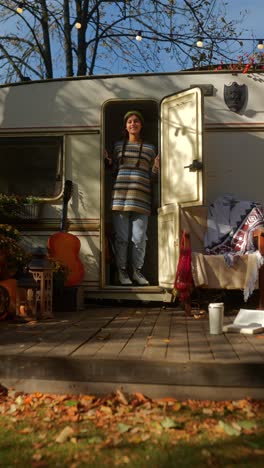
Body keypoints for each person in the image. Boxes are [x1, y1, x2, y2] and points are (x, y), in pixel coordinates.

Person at [105, 110, 160, 286]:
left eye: (136, 121)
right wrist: (108, 161)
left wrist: (156, 168)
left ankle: (137, 272)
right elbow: (113, 172)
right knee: (121, 238)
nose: (133, 124)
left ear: (141, 125)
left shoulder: (151, 148)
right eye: (129, 121)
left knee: (139, 238)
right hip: (120, 197)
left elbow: (152, 178)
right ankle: (122, 273)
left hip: (142, 198)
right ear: (126, 126)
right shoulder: (118, 146)